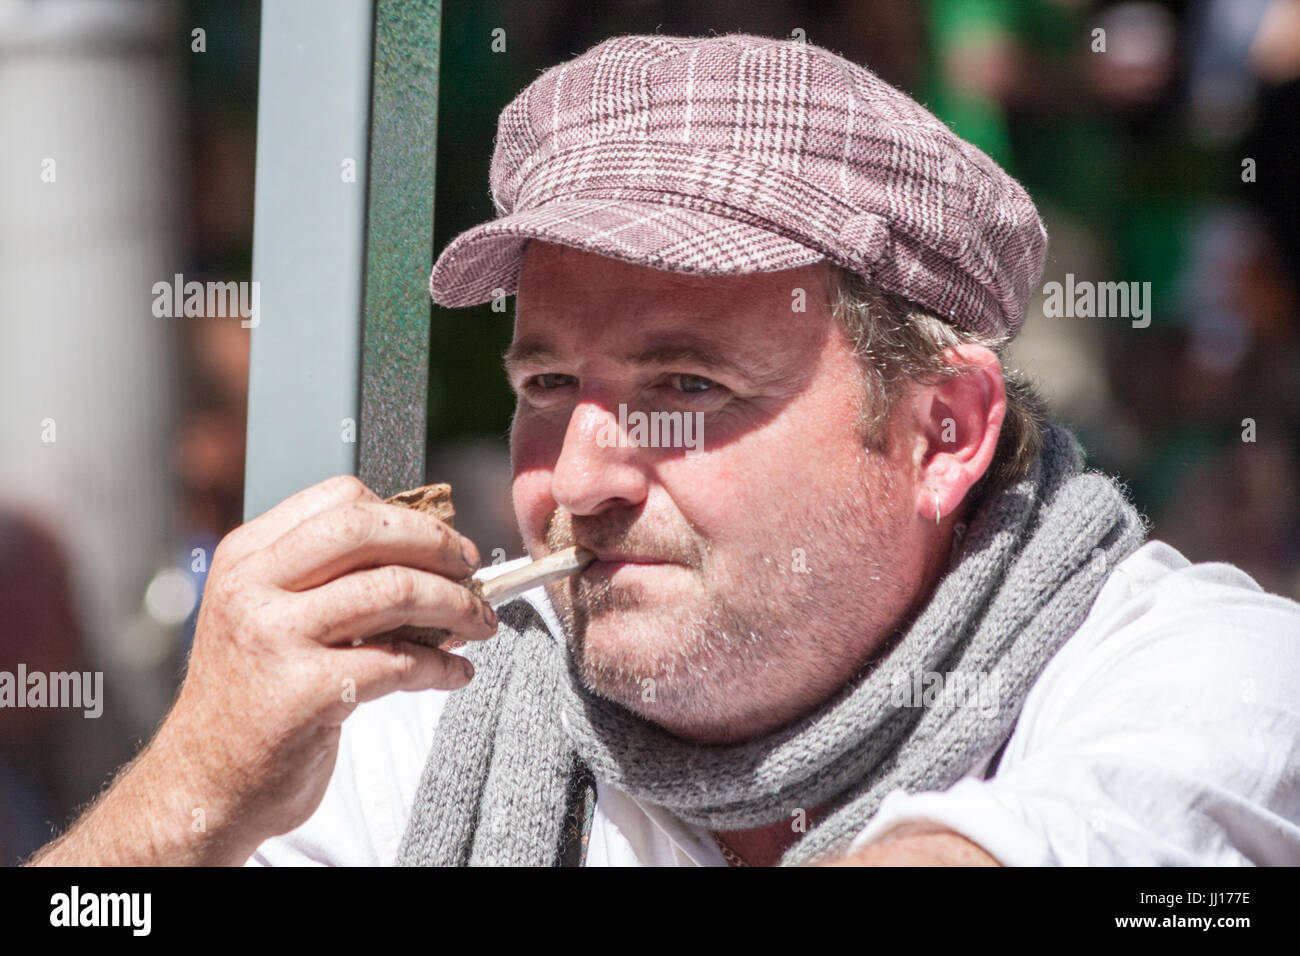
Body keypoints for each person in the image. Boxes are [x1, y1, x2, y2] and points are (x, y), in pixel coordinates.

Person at [29, 34, 1300, 867]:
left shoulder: (1206, 674)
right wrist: (194, 791)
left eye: (683, 386)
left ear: (943, 432)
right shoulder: (423, 729)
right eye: (546, 381)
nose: (576, 483)